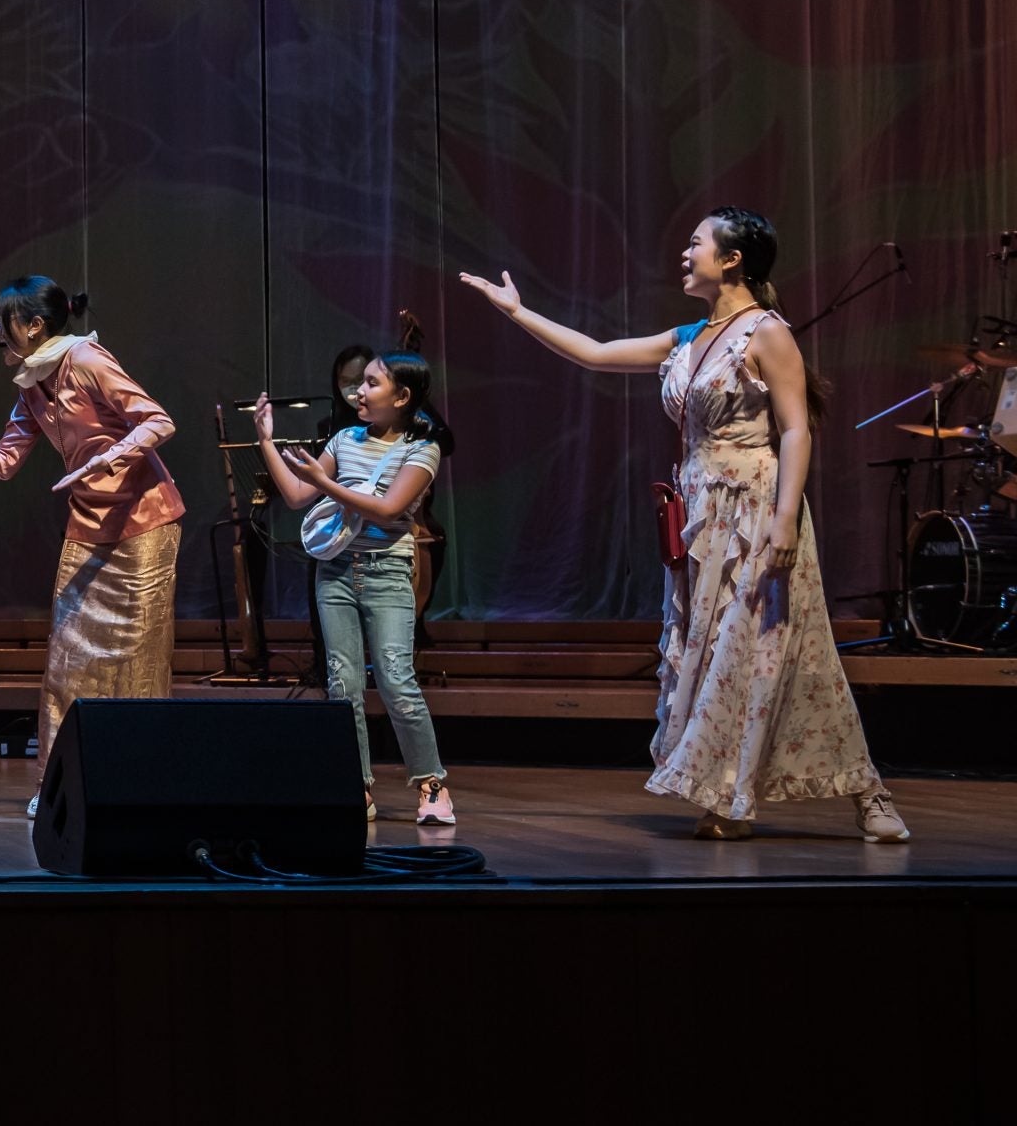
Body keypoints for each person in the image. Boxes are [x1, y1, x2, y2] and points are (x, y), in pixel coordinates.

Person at [462, 208, 910, 841]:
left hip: (755, 507)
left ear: (732, 259)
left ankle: (865, 792)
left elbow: (795, 429)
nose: (685, 252)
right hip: (702, 515)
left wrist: (785, 520)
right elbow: (595, 354)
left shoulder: (766, 333)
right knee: (717, 650)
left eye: (696, 243)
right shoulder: (689, 336)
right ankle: (729, 796)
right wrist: (517, 312)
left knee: (767, 649)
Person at [0, 277, 185, 817]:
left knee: (139, 662)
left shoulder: (86, 360)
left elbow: (158, 420)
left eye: (3, 320)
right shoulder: (32, 384)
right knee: (66, 663)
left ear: (34, 326)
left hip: (143, 524)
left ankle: (140, 783)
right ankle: (59, 786)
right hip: (87, 526)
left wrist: (108, 457)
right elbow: (4, 461)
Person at [252, 354, 456, 826]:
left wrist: (324, 482)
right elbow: (297, 496)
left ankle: (431, 784)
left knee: (396, 678)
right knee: (343, 684)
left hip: (387, 572)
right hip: (336, 572)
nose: (358, 392)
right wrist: (266, 440)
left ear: (401, 397)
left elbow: (387, 510)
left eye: (371, 383)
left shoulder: (422, 449)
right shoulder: (344, 439)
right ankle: (357, 786)